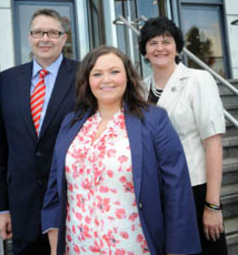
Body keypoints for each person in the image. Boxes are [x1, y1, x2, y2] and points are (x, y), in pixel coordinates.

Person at [41, 45, 201, 255]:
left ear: (128, 76)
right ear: (87, 81)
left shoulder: (154, 119)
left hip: (133, 246)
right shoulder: (71, 122)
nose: (106, 80)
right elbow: (55, 187)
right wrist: (55, 246)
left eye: (114, 72)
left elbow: (176, 189)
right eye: (97, 74)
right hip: (77, 246)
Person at [0, 8, 79, 254]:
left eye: (52, 32)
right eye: (38, 32)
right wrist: (0, 208)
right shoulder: (7, 80)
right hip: (22, 210)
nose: (45, 38)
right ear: (29, 38)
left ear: (64, 38)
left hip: (71, 207)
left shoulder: (83, 76)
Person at [139, 17, 228, 255]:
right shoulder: (139, 88)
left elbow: (213, 143)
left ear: (177, 47)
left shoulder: (198, 80)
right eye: (152, 42)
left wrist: (212, 205)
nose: (160, 48)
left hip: (194, 189)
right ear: (144, 51)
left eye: (166, 41)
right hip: (157, 191)